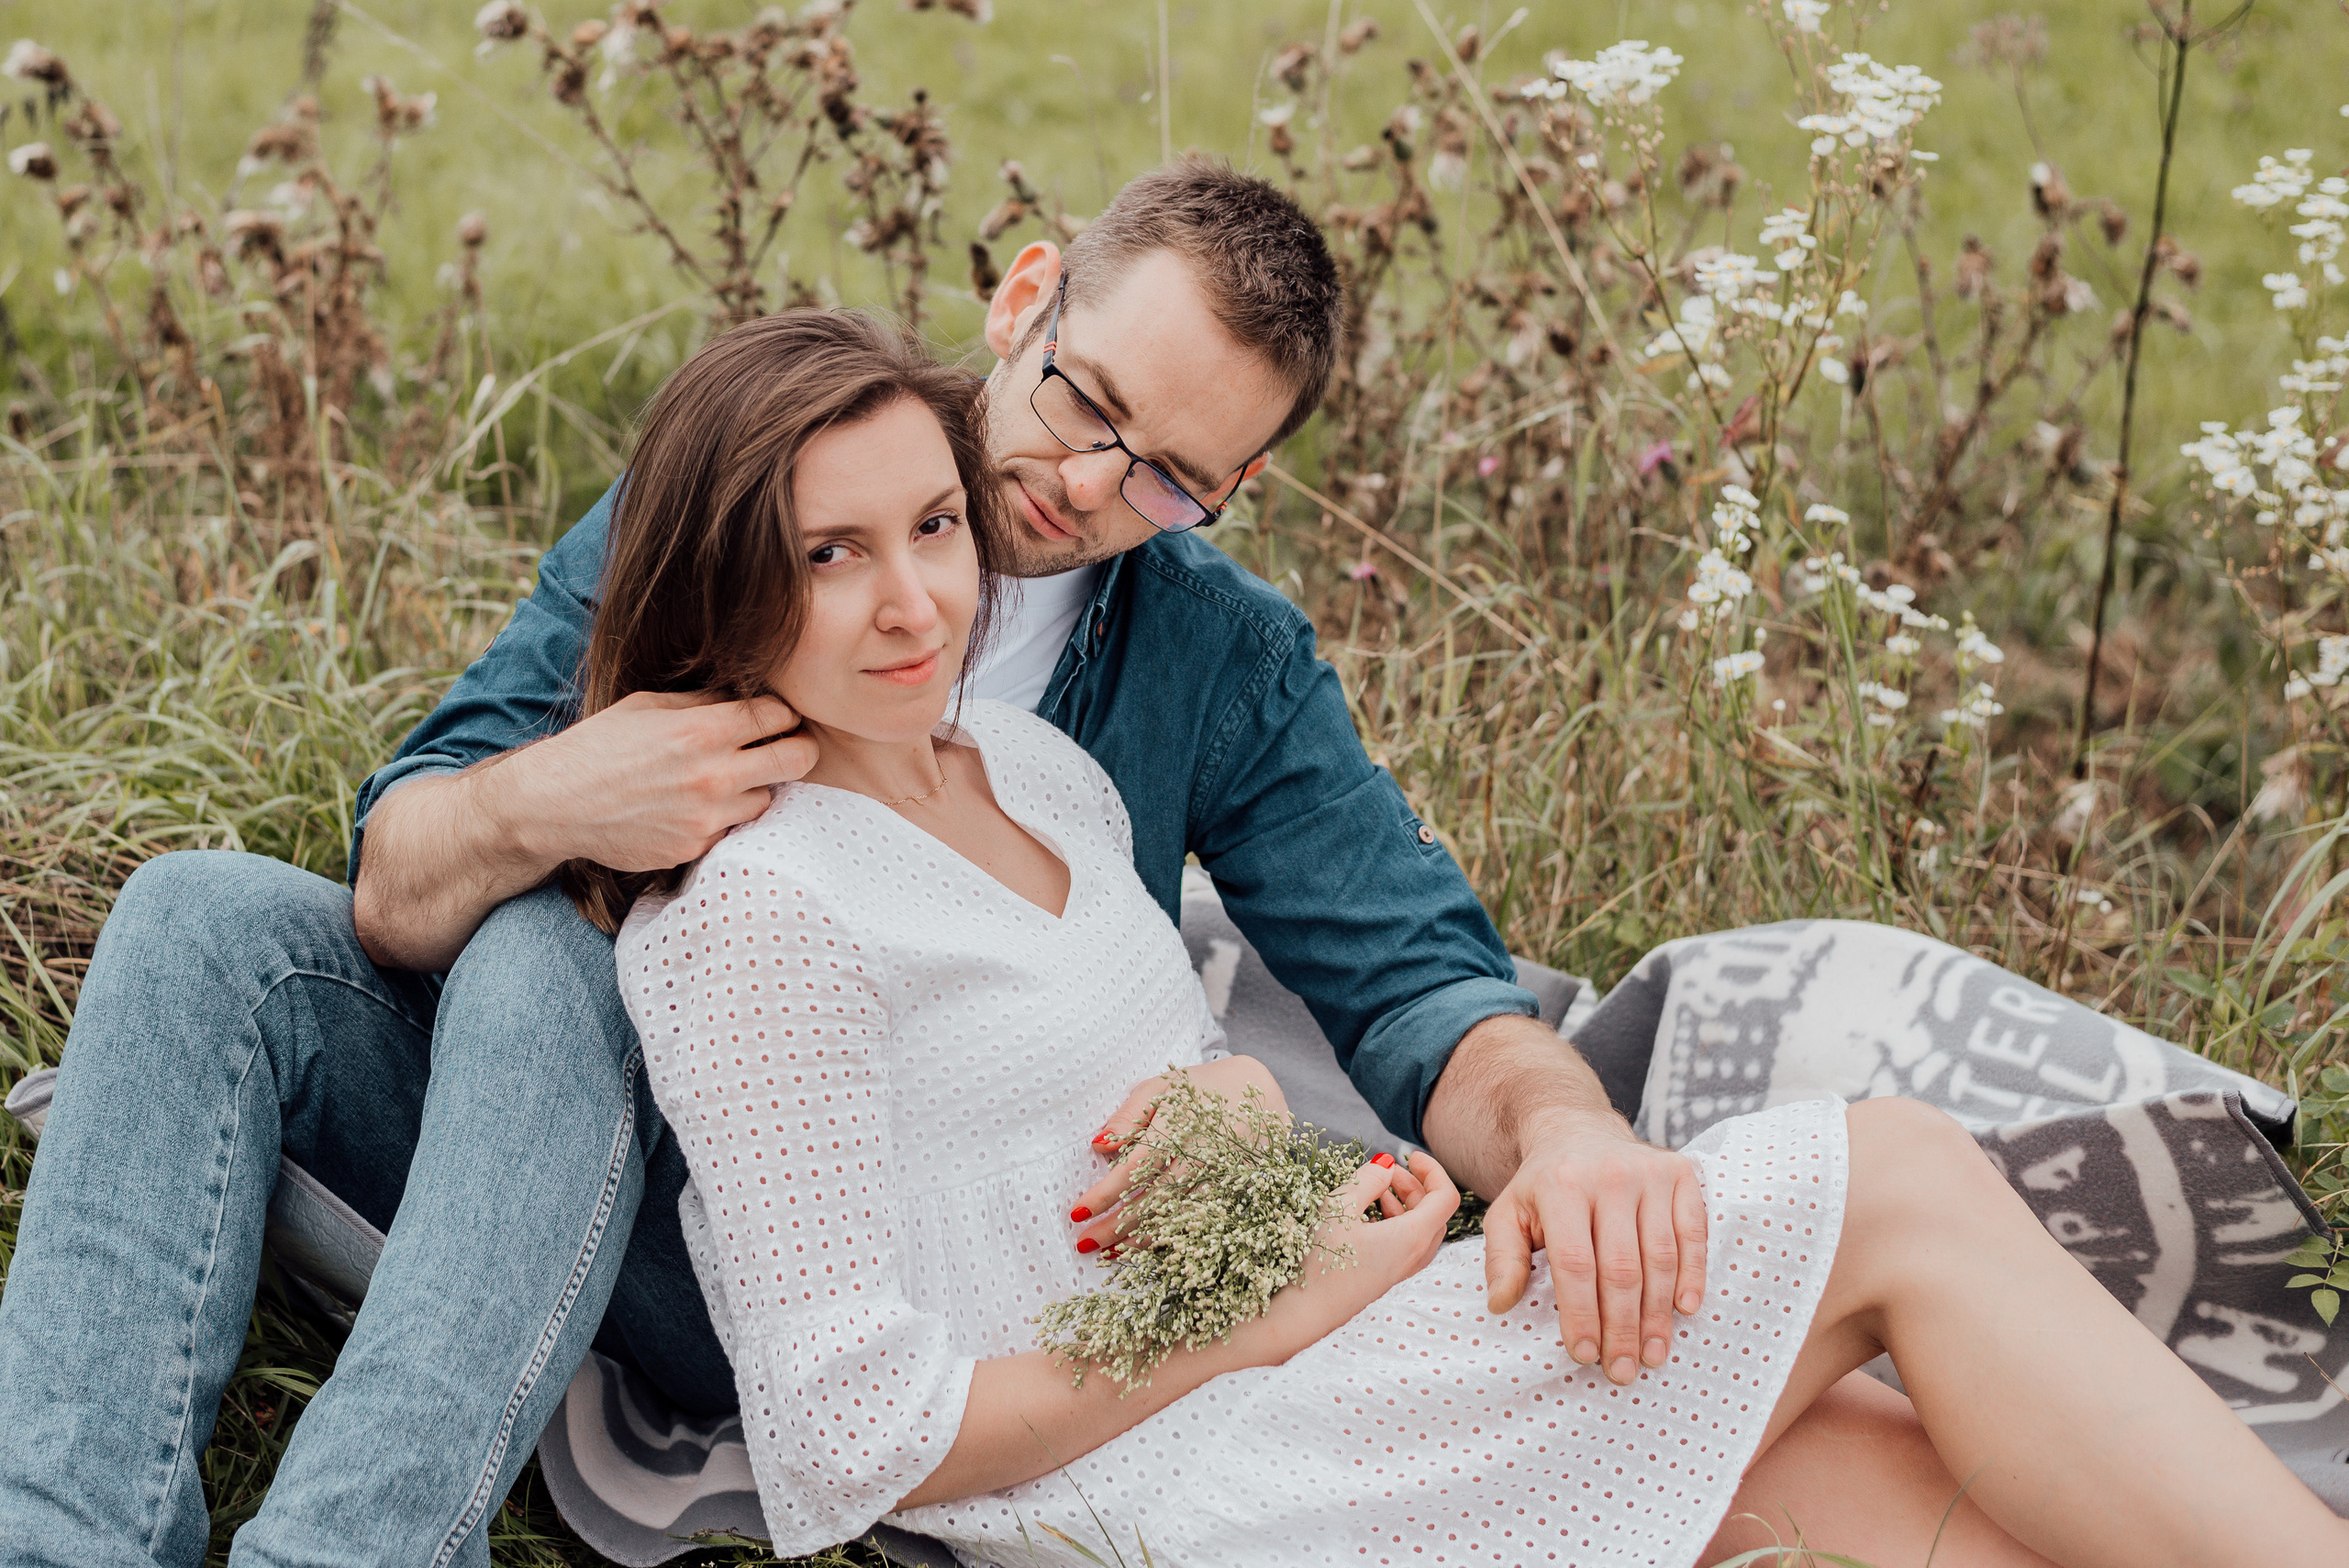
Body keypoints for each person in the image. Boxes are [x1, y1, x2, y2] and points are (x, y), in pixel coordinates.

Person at [0, 161, 1696, 1567]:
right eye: (1086, 403)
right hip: (555, 1125)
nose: (1087, 485)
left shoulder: (1217, 659)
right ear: (1026, 298)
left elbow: (1418, 986)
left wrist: (1563, 1128)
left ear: (1236, 485)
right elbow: (398, 878)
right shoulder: (758, 476)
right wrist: (557, 792)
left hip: (826, 1257)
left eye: (1172, 479)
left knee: (543, 956)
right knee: (209, 916)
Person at [593, 306, 2349, 1568]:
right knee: (1890, 1175)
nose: (915, 600)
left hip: (1330, 1346)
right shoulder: (757, 912)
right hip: (1189, 1471)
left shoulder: (1031, 772)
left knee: (1888, 1473)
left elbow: (1162, 1074)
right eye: (831, 555)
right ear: (722, 578)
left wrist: (1241, 1110)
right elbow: (850, 1442)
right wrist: (1271, 1312)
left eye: (930, 527)